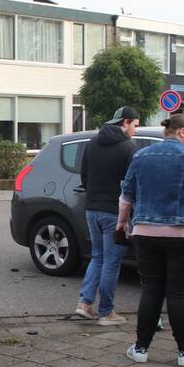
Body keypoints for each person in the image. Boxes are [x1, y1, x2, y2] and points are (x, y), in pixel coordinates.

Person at [119, 113, 184, 367]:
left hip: (147, 233)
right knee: (181, 294)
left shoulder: (141, 156)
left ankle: (141, 348)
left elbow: (126, 196)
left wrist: (122, 223)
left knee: (151, 290)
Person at [75, 106, 140, 325]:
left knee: (97, 257)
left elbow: (84, 175)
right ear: (125, 123)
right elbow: (134, 183)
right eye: (135, 125)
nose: (136, 131)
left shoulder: (92, 143)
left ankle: (84, 304)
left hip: (92, 210)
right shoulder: (127, 148)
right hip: (115, 213)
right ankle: (106, 312)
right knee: (112, 262)